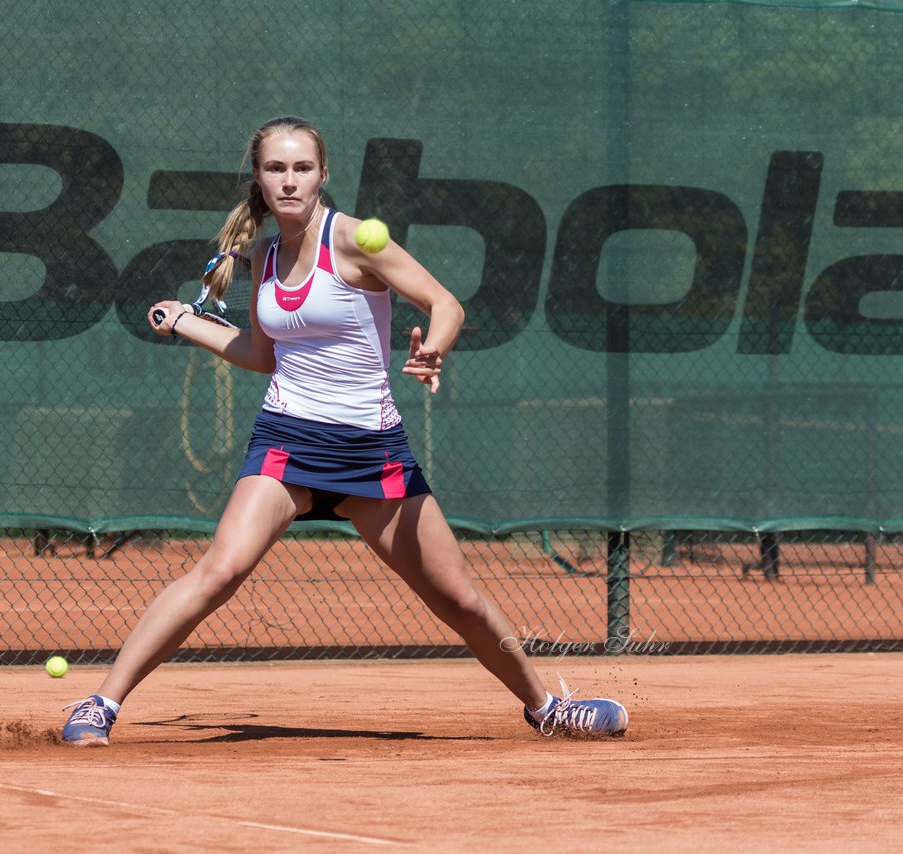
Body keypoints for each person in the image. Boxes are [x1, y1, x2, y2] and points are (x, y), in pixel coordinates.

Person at [62, 116, 628, 745]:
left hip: (372, 451)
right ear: (258, 177)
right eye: (275, 168)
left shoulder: (358, 241)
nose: (289, 180)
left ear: (323, 174)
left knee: (458, 601)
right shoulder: (263, 255)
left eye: (302, 168)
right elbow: (261, 354)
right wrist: (186, 321)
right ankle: (101, 704)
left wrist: (433, 350)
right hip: (289, 437)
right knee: (219, 572)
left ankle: (547, 707)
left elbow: (447, 305)